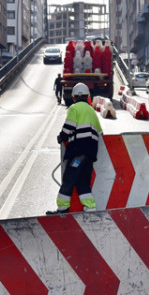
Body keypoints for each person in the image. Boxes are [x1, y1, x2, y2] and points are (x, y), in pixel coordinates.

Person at [49, 83, 102, 214]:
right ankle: (90, 208)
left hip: (79, 151)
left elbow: (68, 128)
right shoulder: (91, 110)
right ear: (87, 96)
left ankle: (63, 208)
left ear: (74, 98)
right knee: (82, 182)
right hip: (90, 153)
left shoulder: (74, 108)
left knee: (69, 178)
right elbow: (100, 133)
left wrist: (61, 137)